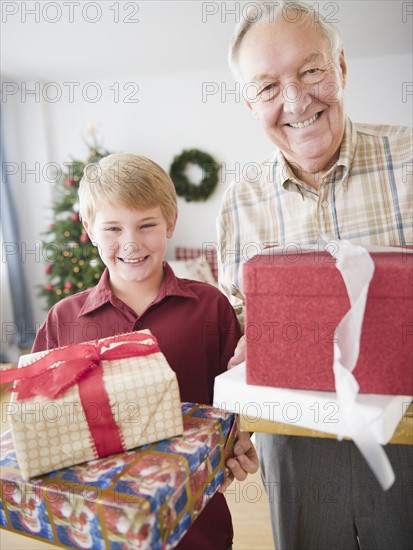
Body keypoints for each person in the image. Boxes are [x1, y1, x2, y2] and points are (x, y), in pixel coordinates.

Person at [217, 1, 412, 549]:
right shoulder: (239, 201)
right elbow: (236, 320)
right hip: (294, 440)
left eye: (311, 70)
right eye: (267, 87)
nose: (297, 101)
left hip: (406, 430)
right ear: (249, 101)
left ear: (342, 67)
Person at [33, 153, 259, 550]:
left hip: (197, 526)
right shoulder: (62, 319)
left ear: (171, 222)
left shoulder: (210, 307)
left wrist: (242, 439)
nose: (131, 243)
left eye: (147, 225)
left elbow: (236, 403)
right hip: (96, 527)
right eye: (113, 228)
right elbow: (39, 414)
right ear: (89, 229)